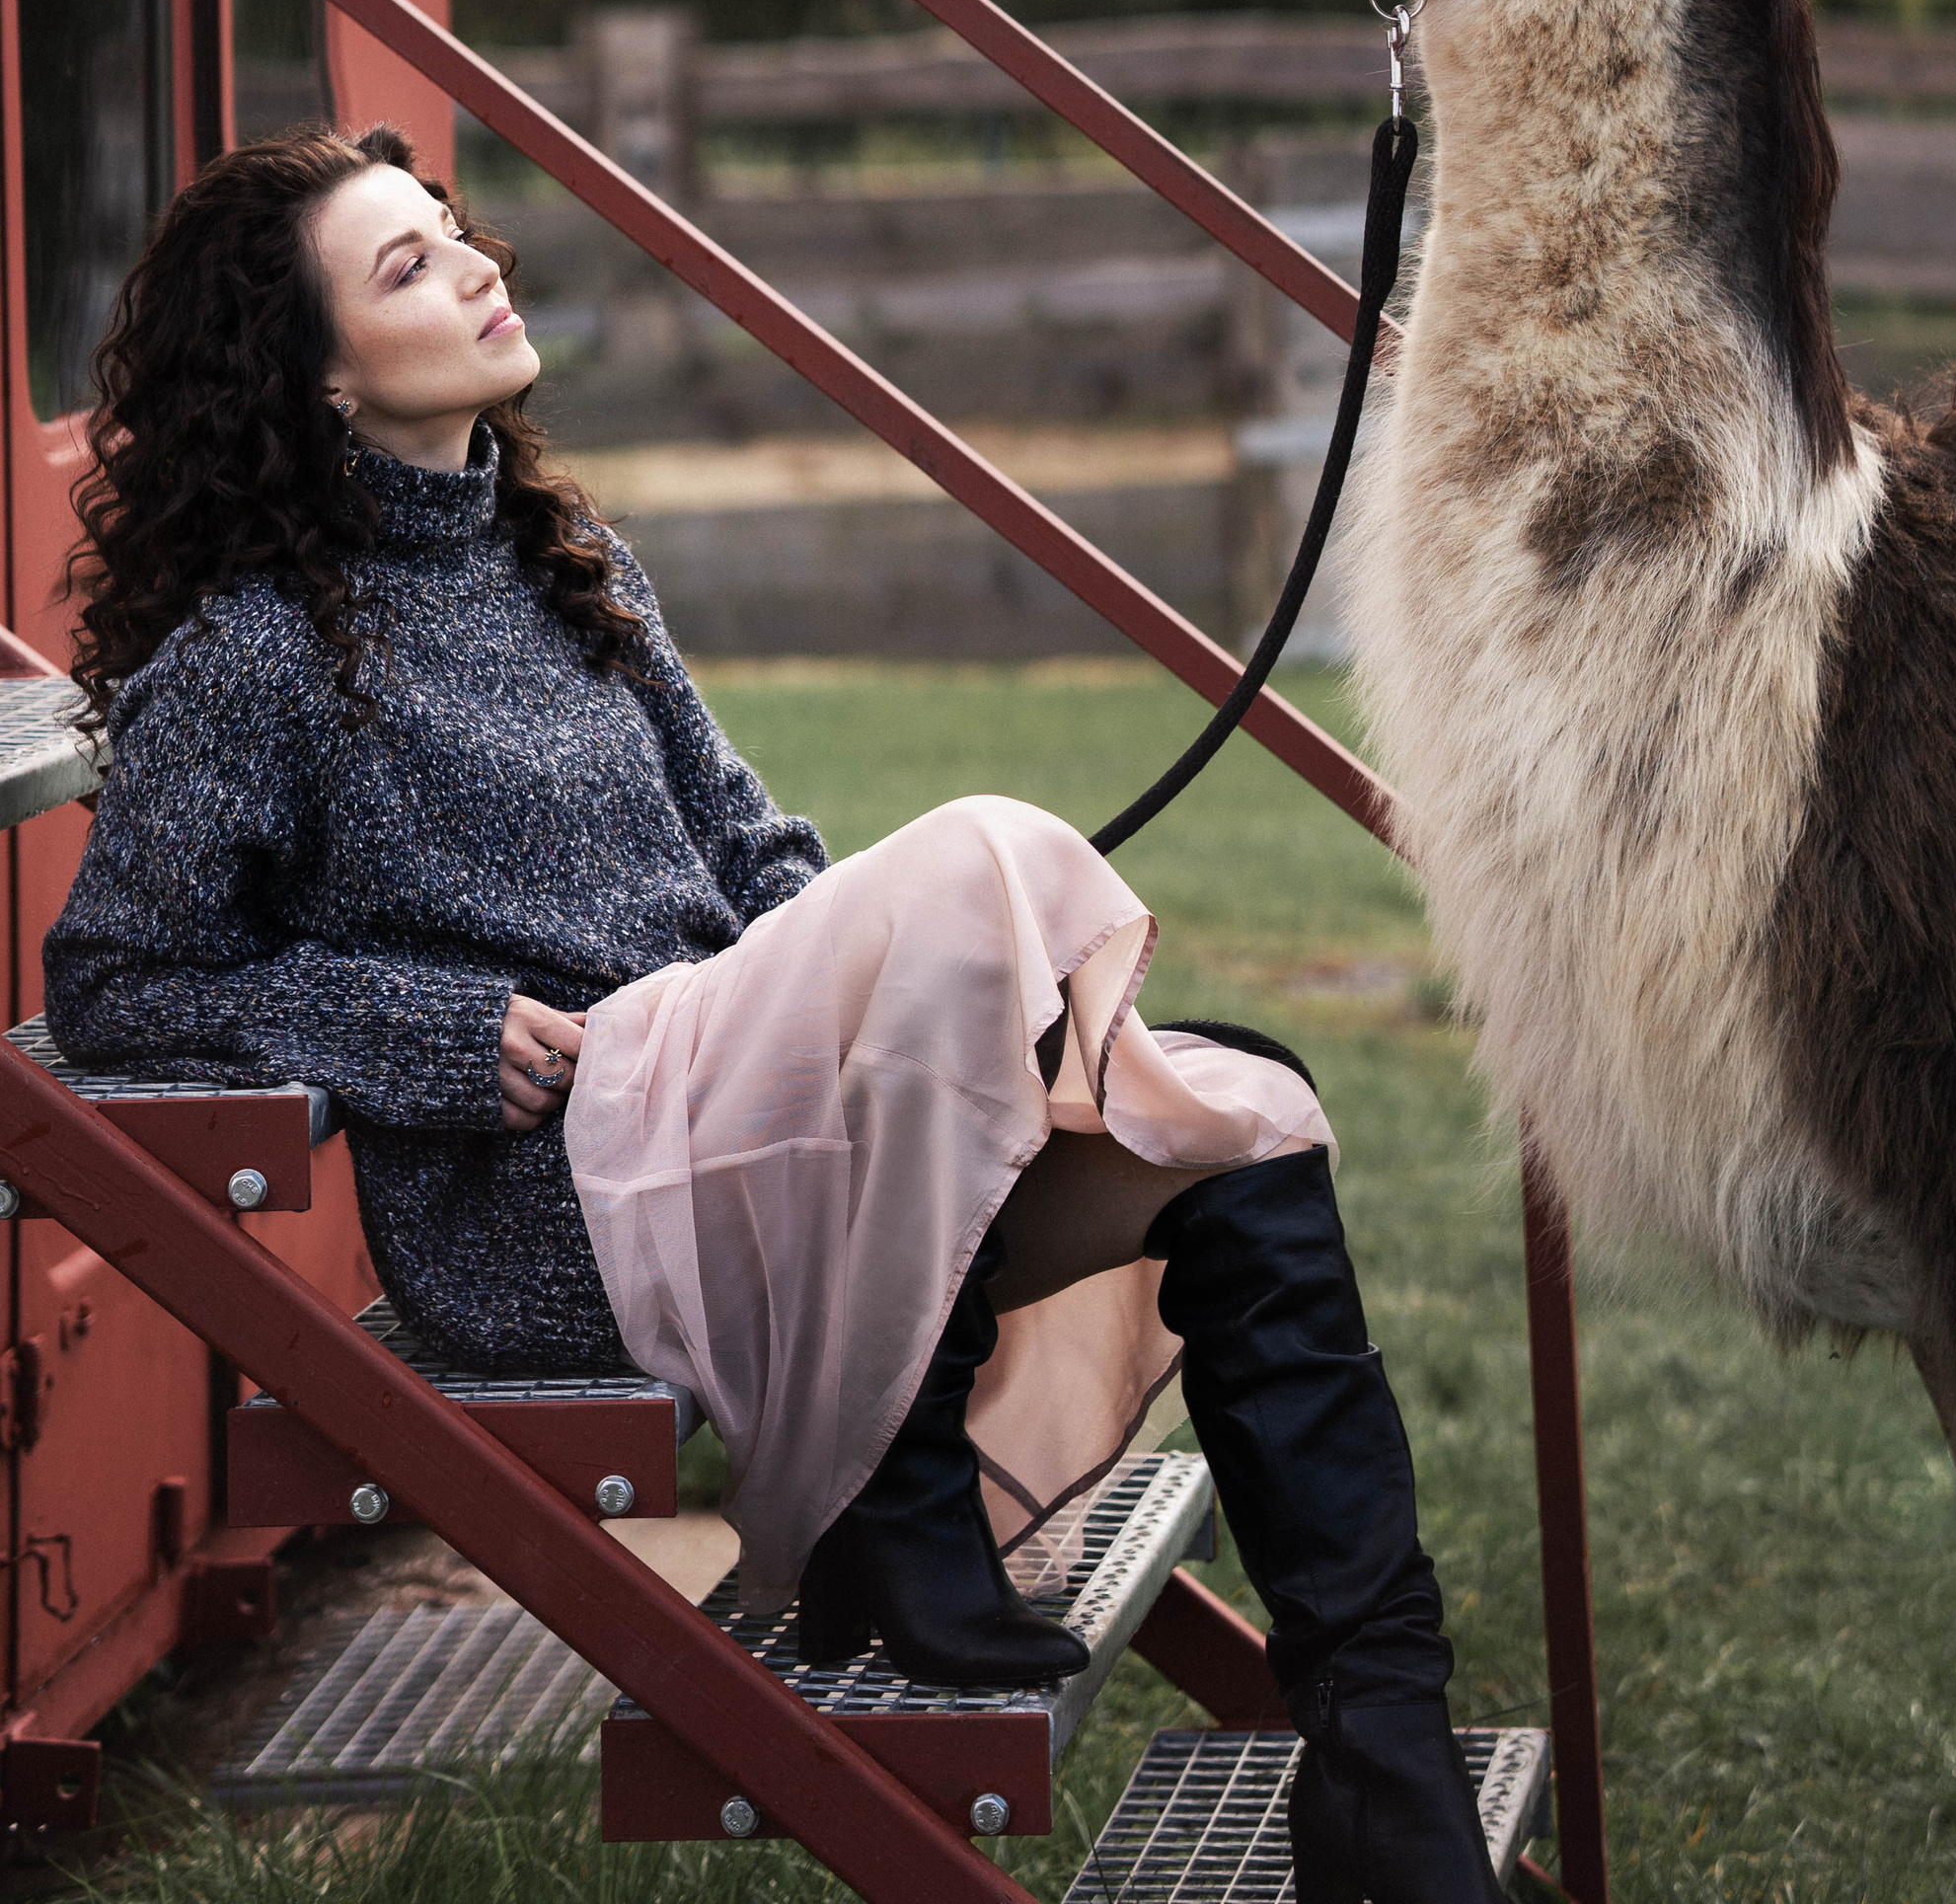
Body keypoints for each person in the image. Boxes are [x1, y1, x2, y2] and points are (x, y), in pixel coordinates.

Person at [45, 124, 1497, 1903]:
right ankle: (893, 1497)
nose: (478, 267)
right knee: (981, 851)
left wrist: (900, 995)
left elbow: (752, 851)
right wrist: (421, 1032)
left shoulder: (561, 555)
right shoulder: (257, 655)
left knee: (1234, 1126)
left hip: (744, 1118)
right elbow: (117, 982)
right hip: (551, 1204)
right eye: (407, 268)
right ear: (321, 377)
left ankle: (1383, 1767)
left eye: (454, 233)